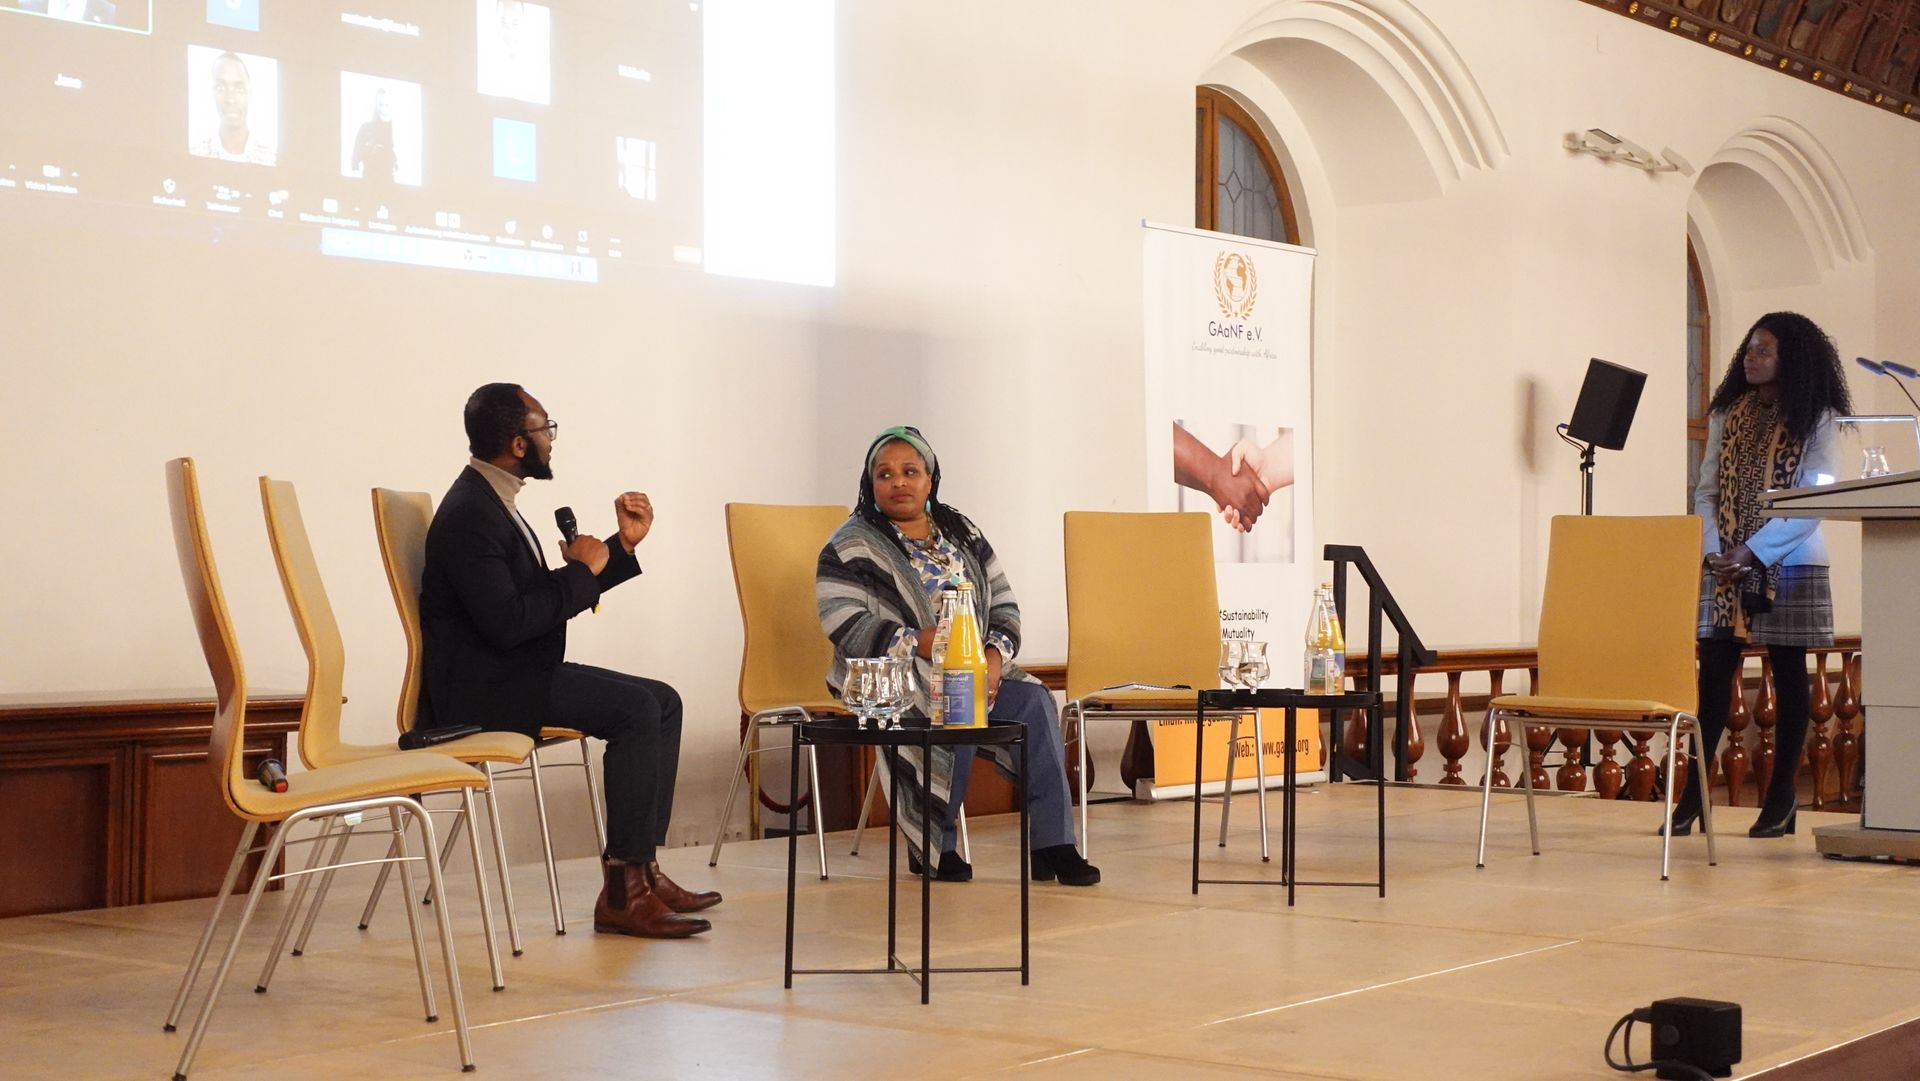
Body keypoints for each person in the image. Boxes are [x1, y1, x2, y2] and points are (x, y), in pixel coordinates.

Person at [418, 383, 719, 937]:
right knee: (635, 710)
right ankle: (622, 894)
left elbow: (524, 604)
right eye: (544, 430)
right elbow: (509, 623)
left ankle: (642, 869)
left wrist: (618, 550)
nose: (550, 442)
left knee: (662, 700)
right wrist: (582, 572)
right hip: (486, 691)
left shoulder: (490, 501)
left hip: (513, 674)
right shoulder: (471, 515)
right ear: (517, 443)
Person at [816, 426, 1100, 886]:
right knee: (952, 700)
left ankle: (1054, 844)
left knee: (1034, 702)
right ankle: (933, 843)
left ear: (931, 479)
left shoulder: (961, 532)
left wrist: (992, 655)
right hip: (892, 678)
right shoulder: (851, 544)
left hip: (972, 665)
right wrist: (922, 643)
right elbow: (842, 622)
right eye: (884, 474)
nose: (899, 482)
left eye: (911, 471)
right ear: (870, 484)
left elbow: (1005, 604)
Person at [1673, 312, 1850, 840]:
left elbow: (1815, 501)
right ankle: (1690, 801)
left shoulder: (1816, 417)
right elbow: (1705, 488)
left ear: (1790, 358)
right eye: (1750, 349)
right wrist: (1714, 550)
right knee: (1712, 680)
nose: (1751, 357)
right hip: (1724, 564)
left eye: (1764, 350)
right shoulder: (1729, 411)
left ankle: (1779, 801)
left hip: (1790, 563)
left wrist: (1755, 550)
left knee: (1792, 680)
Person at [190, 51, 277, 166]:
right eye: (220, 87)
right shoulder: (195, 154)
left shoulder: (272, 159)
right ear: (212, 92)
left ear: (250, 94)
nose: (230, 99)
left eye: (240, 89)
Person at [351, 87, 398, 185]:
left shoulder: (390, 129)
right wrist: (356, 161)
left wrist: (394, 162)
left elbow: (392, 151)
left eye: (386, 105)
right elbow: (357, 151)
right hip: (370, 176)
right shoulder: (366, 128)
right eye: (380, 105)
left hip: (386, 177)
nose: (383, 109)